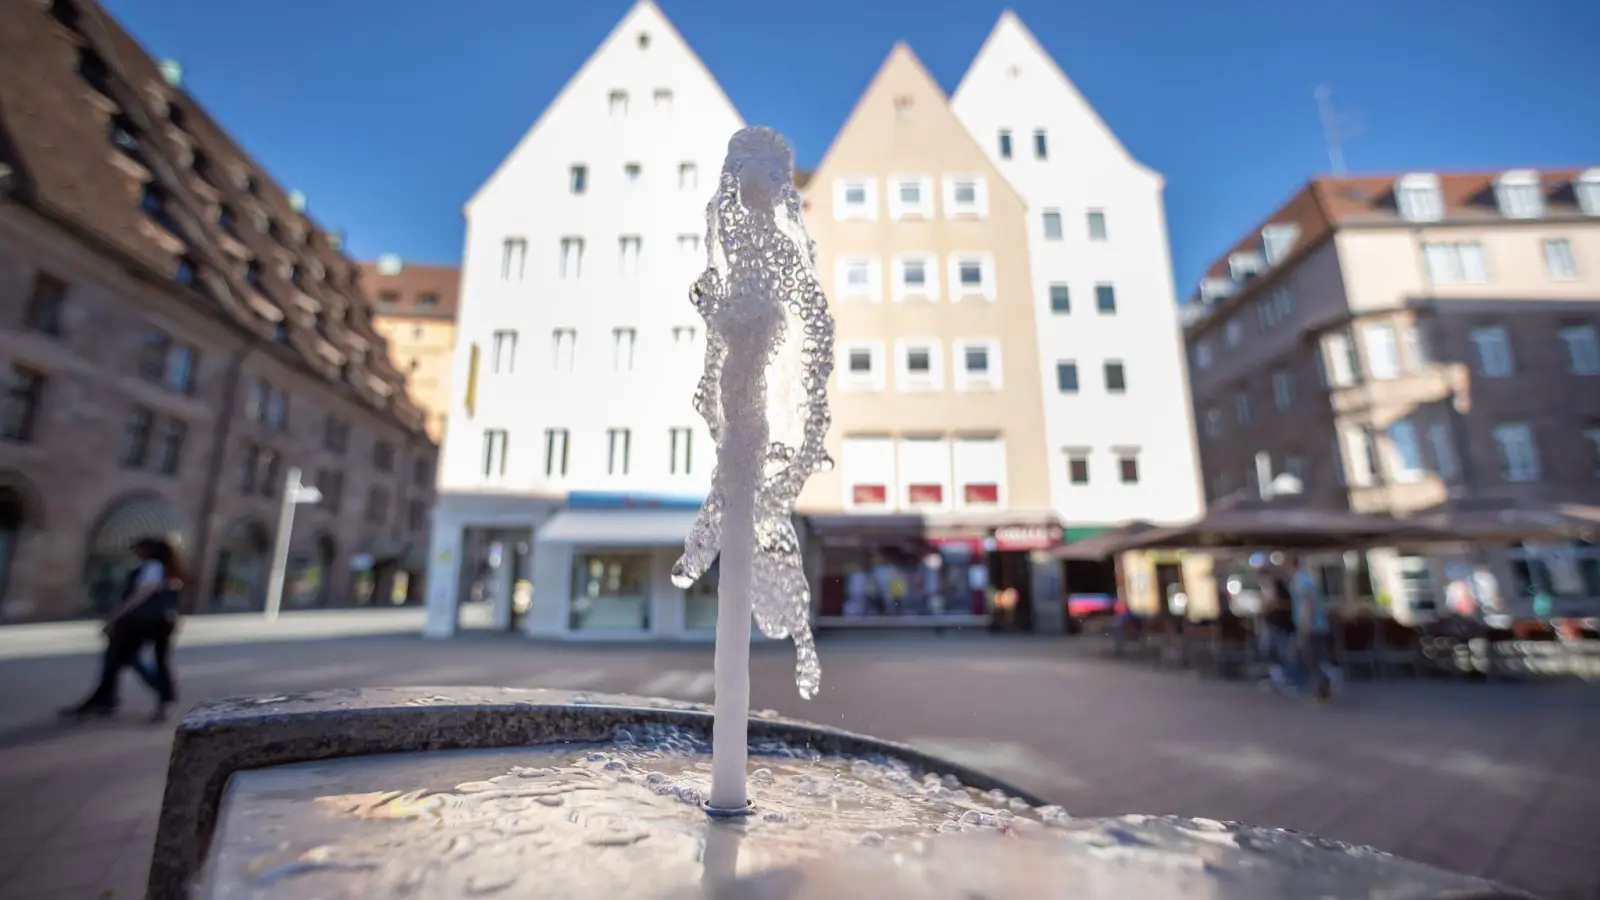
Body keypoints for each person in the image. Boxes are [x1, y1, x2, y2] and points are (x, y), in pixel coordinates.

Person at [61, 538, 185, 722]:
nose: (136, 553)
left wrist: (116, 616)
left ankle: (106, 700)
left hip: (141, 622)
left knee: (117, 660)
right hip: (162, 622)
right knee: (151, 660)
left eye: (138, 549)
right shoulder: (169, 569)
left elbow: (143, 592)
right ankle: (161, 700)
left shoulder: (152, 566)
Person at [1286, 554, 1334, 702]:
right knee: (1308, 657)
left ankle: (1320, 683)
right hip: (1314, 625)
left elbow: (1308, 602)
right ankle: (1321, 685)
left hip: (1311, 626)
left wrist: (1305, 624)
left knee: (1307, 657)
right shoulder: (1303, 578)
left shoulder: (1300, 580)